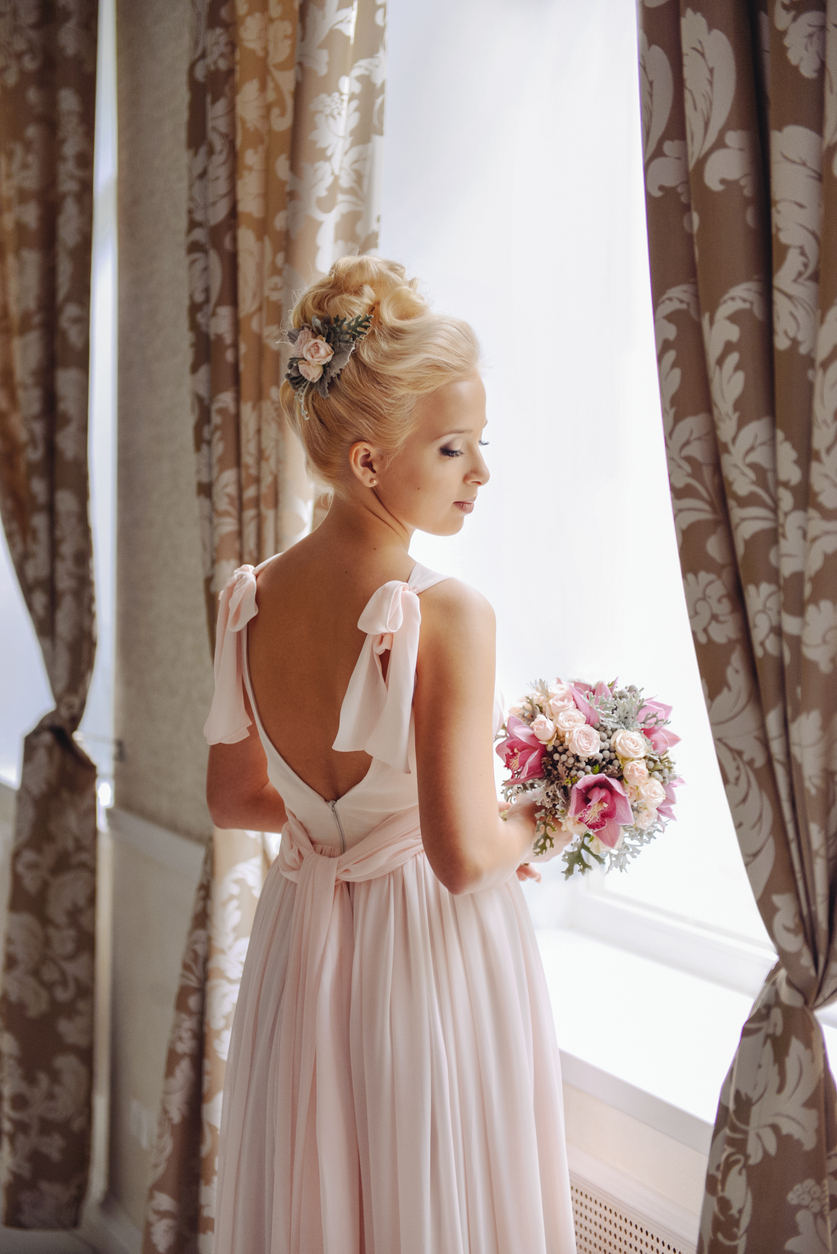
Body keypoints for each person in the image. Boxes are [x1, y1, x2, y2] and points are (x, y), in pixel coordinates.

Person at [204, 256, 577, 1253]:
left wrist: (340, 834)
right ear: (370, 463)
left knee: (318, 1202)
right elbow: (461, 857)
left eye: (480, 444)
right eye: (454, 450)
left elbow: (236, 795)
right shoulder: (448, 614)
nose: (482, 474)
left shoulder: (252, 597)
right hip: (423, 957)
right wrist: (558, 807)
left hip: (302, 945)